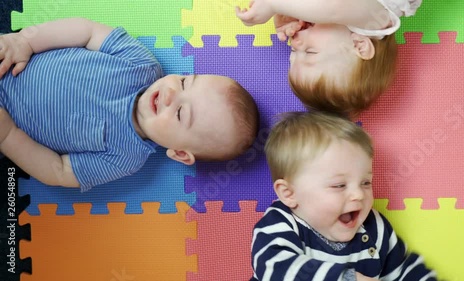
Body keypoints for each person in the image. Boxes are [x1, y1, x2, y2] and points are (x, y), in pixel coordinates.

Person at [0, 18, 259, 192]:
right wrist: (25, 41)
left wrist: (8, 136)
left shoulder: (125, 158)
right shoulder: (140, 63)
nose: (170, 95)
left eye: (180, 113)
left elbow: (59, 171)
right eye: (183, 82)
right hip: (11, 58)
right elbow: (86, 30)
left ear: (180, 153)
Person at [251, 111, 437, 280]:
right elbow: (274, 268)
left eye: (366, 183)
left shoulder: (375, 228)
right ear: (289, 193)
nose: (358, 194)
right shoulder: (279, 224)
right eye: (339, 185)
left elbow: (404, 269)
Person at [235, 0, 421, 116]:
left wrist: (294, 9)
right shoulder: (376, 17)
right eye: (310, 52)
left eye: (293, 52)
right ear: (359, 46)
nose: (296, 43)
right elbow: (334, 7)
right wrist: (274, 4)